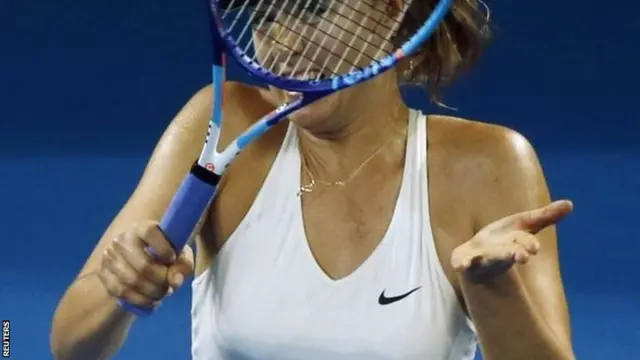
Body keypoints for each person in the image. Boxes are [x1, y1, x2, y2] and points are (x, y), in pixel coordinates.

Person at [50, 0, 576, 359]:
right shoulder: (222, 126)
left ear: (392, 8)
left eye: (313, 8)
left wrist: (491, 287)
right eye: (265, 11)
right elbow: (70, 343)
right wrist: (120, 292)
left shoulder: (488, 164)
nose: (281, 43)